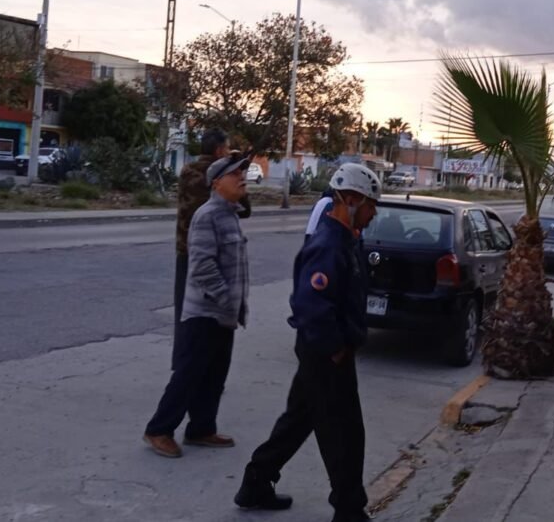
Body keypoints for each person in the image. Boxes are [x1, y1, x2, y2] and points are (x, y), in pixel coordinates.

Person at [235, 163, 382, 522]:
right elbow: (310, 305)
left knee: (299, 420)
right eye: (370, 205)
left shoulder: (346, 241)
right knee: (344, 435)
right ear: (350, 199)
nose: (374, 212)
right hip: (325, 353)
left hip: (325, 350)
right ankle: (349, 511)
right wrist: (335, 348)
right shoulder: (329, 245)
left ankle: (255, 482)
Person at [143, 155, 252, 458]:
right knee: (189, 374)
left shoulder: (230, 213)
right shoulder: (207, 216)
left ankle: (201, 429)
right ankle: (158, 429)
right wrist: (226, 298)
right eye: (234, 174)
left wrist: (234, 307)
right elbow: (202, 266)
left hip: (223, 314)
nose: (242, 177)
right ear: (216, 183)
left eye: (243, 172)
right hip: (205, 311)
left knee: (214, 375)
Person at [174, 129, 251, 367]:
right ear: (219, 150)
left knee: (186, 311)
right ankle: (201, 369)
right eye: (227, 149)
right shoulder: (220, 176)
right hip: (214, 252)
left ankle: (182, 361)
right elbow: (245, 208)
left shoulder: (187, 171)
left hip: (185, 248)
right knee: (211, 313)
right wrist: (238, 169)